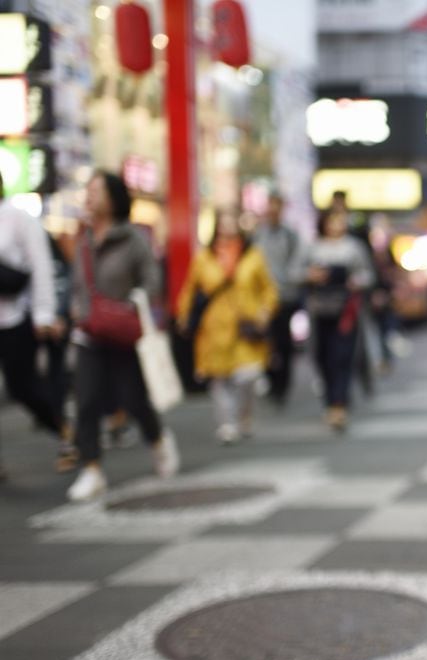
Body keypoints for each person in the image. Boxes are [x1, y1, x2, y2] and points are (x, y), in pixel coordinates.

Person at [67, 171, 179, 501]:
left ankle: (157, 439)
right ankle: (91, 469)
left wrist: (131, 305)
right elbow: (77, 285)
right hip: (88, 333)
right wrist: (75, 309)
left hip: (124, 333)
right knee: (85, 401)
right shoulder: (84, 239)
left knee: (134, 398)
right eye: (87, 190)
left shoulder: (133, 239)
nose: (89, 196)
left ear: (114, 198)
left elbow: (153, 282)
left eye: (96, 190)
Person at [178, 208, 278, 445]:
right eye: (223, 221)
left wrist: (266, 310)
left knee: (248, 375)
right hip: (215, 328)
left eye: (232, 221)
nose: (227, 226)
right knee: (220, 379)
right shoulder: (204, 257)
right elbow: (190, 289)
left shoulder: (253, 255)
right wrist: (183, 315)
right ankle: (226, 424)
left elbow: (269, 288)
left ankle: (244, 415)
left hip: (246, 325)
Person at [0, 173, 74, 478]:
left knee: (23, 387)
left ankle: (65, 432)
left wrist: (45, 314)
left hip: (17, 318)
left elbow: (41, 265)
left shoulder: (17, 217)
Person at [295, 209, 374, 430]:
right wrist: (311, 275)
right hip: (319, 310)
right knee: (322, 357)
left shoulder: (353, 247)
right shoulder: (312, 247)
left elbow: (368, 274)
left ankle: (339, 404)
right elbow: (294, 272)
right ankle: (330, 400)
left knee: (343, 357)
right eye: (332, 220)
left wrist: (355, 281)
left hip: (346, 311)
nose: (336, 225)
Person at [252, 193, 301, 405]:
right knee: (265, 341)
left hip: (284, 297)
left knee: (283, 342)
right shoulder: (258, 235)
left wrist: (287, 283)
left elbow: (296, 265)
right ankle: (270, 380)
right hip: (262, 298)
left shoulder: (290, 235)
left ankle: (283, 384)